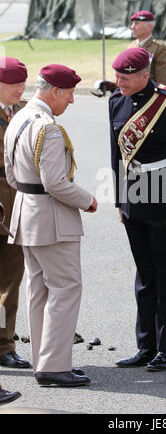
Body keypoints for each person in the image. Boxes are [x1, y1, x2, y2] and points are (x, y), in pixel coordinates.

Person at [109, 47, 166, 371]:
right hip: (134, 199)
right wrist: (120, 201)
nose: (118, 82)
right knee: (145, 276)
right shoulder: (116, 102)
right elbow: (117, 158)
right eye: (117, 76)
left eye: (124, 77)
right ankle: (145, 345)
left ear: (144, 75)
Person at [4, 64, 97, 387]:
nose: (71, 101)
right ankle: (54, 365)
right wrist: (87, 200)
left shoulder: (17, 117)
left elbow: (12, 175)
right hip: (52, 219)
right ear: (54, 92)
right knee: (65, 289)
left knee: (39, 290)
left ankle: (45, 361)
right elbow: (56, 183)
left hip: (26, 215)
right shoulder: (48, 128)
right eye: (69, 94)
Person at [0, 56, 30, 370]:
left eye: (22, 83)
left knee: (10, 283)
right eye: (13, 84)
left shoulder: (23, 112)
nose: (19, 89)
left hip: (16, 208)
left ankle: (4, 344)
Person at [129, 10, 166, 88]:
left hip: (150, 96)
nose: (132, 27)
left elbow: (165, 82)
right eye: (132, 23)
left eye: (136, 23)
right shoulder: (130, 47)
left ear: (149, 27)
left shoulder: (159, 49)